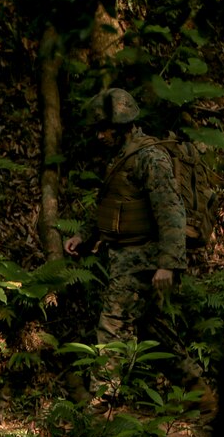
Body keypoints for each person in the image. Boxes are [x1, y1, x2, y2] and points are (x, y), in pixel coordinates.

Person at [63, 88, 208, 408]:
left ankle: (102, 405)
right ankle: (202, 394)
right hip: (127, 255)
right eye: (97, 130)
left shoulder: (150, 157)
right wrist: (84, 236)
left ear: (125, 125)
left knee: (113, 326)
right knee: (153, 331)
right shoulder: (120, 156)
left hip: (142, 257)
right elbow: (113, 204)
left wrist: (168, 264)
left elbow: (171, 212)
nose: (100, 136)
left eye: (106, 129)